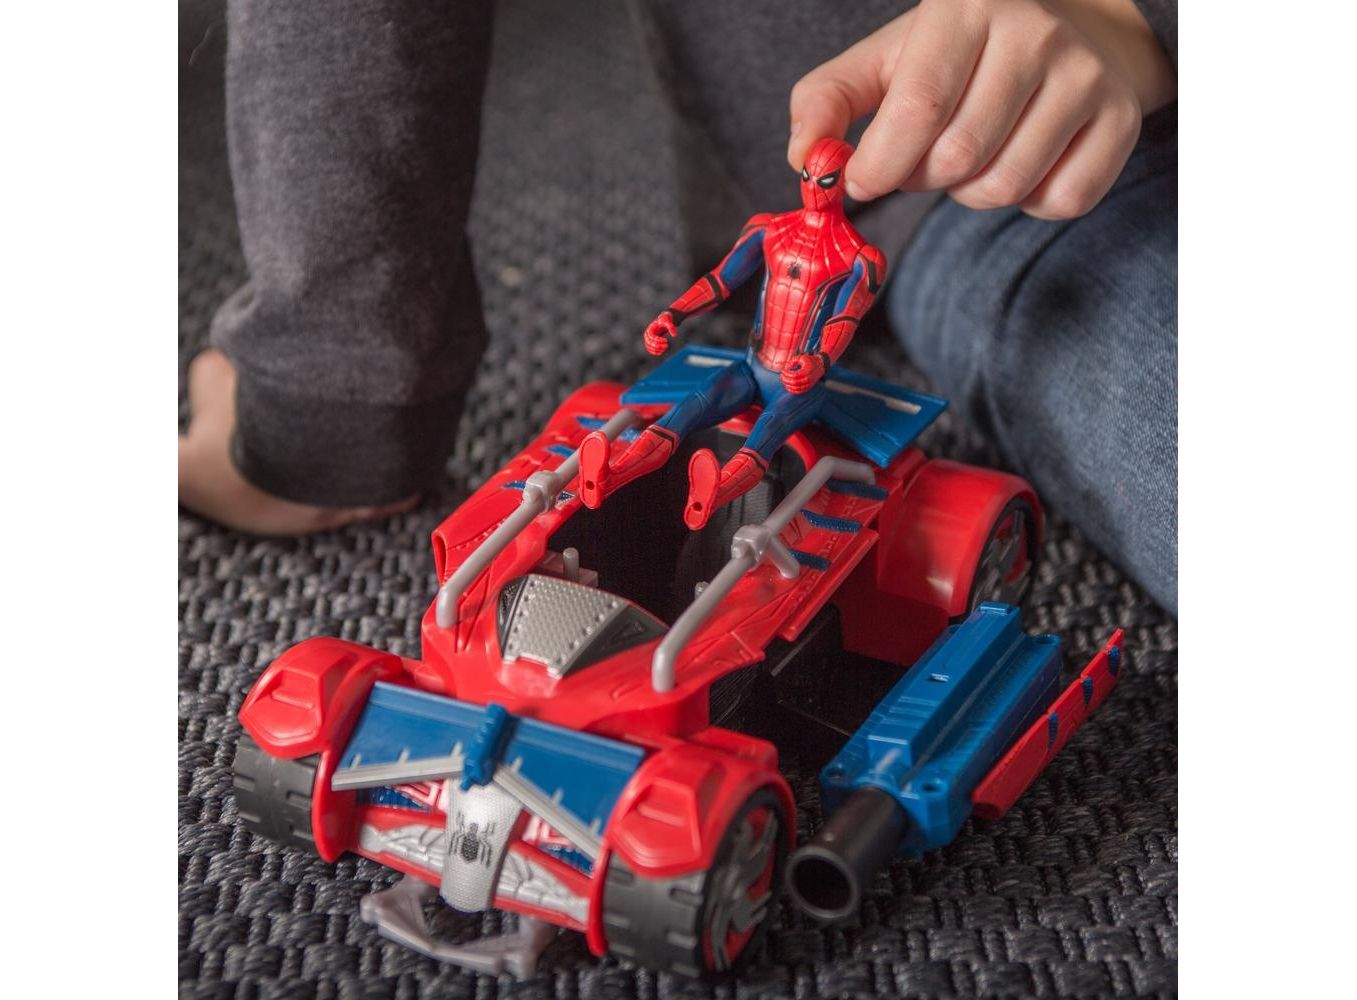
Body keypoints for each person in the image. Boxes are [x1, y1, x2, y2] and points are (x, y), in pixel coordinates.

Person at [179, 0, 1177, 610]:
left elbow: (836, 320)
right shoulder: (783, 230)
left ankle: (724, 481)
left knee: (769, 429)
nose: (817, 183)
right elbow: (725, 283)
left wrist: (1141, 20)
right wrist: (336, 389)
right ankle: (635, 464)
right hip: (992, 168)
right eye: (816, 173)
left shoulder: (849, 260)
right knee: (695, 405)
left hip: (807, 365)